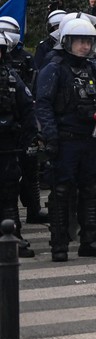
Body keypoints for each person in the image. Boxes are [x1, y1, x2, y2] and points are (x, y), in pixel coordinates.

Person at [34, 16, 96, 261]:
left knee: (92, 189)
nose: (85, 46)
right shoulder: (54, 68)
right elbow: (43, 104)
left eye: (88, 41)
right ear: (66, 41)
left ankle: (90, 240)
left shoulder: (93, 67)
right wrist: (50, 137)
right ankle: (59, 244)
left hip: (91, 138)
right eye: (79, 41)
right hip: (65, 139)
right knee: (62, 191)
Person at [0, 26, 38, 257]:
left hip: (7, 146)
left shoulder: (11, 77)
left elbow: (27, 109)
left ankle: (12, 237)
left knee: (8, 193)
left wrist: (28, 138)